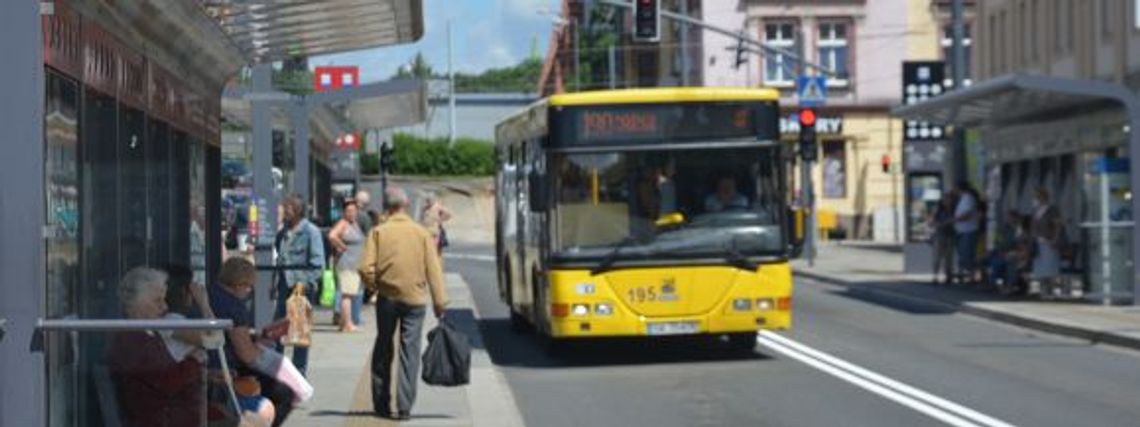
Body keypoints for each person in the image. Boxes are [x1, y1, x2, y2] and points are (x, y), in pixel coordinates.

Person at [358, 187, 448, 421]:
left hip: (387, 298)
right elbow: (434, 270)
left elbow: (364, 268)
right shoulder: (421, 233)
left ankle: (381, 403)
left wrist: (374, 286)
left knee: (383, 346)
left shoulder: (378, 232)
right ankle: (405, 406)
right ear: (406, 204)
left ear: (387, 207)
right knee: (410, 351)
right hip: (415, 300)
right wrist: (440, 302)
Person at [108, 267, 213, 427]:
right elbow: (167, 383)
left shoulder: (148, 333)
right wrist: (194, 360)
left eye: (163, 300)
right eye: (157, 301)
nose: (164, 307)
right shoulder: (130, 340)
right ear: (136, 303)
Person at [210, 257, 296, 427]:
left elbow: (232, 334)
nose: (249, 291)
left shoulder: (211, 293)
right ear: (239, 284)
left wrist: (255, 336)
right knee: (284, 392)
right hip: (226, 369)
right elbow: (246, 354)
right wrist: (262, 348)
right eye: (249, 286)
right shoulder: (234, 306)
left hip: (214, 363)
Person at [273, 194, 325, 376]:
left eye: (286, 208)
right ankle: (277, 373)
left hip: (300, 290)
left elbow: (318, 264)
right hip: (283, 288)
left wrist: (303, 283)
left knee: (299, 338)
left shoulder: (311, 232)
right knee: (277, 333)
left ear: (296, 210)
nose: (283, 211)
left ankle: (298, 377)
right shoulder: (282, 232)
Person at [328, 199, 366, 332]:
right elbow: (332, 236)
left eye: (354, 211)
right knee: (347, 295)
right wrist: (342, 246)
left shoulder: (354, 224)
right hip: (347, 264)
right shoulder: (343, 223)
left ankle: (343, 324)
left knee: (349, 294)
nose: (352, 213)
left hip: (353, 264)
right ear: (344, 212)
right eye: (348, 211)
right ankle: (348, 324)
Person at [1030, 188, 1063, 296]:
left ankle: (1050, 289)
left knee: (1049, 266)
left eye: (1037, 197)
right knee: (1040, 267)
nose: (1035, 200)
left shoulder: (1052, 209)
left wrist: (1055, 239)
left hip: (1048, 241)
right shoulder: (1036, 210)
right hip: (1038, 241)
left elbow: (1057, 226)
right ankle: (1043, 288)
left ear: (1043, 197)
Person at [952, 181, 982, 284]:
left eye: (955, 188)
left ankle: (973, 275)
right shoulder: (962, 199)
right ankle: (969, 275)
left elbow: (967, 214)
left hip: (969, 230)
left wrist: (955, 219)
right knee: (963, 254)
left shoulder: (968, 198)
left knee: (967, 254)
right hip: (962, 230)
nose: (954, 190)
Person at [928, 194, 957, 284]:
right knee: (937, 257)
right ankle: (935, 276)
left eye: (949, 200)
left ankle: (948, 276)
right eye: (946, 200)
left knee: (949, 258)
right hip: (940, 236)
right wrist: (944, 223)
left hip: (950, 236)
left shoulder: (954, 210)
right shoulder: (938, 210)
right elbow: (932, 222)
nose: (948, 202)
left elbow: (956, 221)